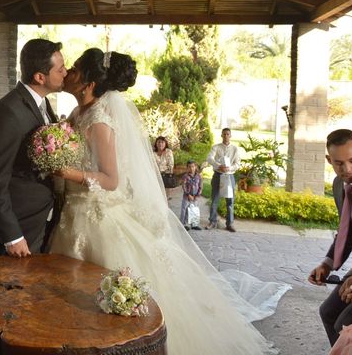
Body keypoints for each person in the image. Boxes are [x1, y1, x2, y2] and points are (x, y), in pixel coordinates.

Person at [50, 48, 288, 354]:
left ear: (88, 83)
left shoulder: (99, 121)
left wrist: (69, 172)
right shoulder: (77, 114)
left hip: (96, 217)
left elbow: (111, 180)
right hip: (73, 214)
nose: (68, 71)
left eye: (76, 69)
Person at [0, 38, 64, 257]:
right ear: (40, 77)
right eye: (61, 69)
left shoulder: (43, 104)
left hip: (37, 220)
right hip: (17, 226)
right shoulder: (8, 112)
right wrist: (12, 236)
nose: (66, 72)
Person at [309, 129, 352, 346]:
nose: (347, 169)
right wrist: (328, 263)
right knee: (329, 312)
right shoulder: (338, 185)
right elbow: (347, 231)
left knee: (347, 323)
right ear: (328, 160)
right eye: (339, 163)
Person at [206, 128, 241, 232]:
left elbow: (237, 164)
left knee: (230, 201)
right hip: (218, 174)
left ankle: (229, 223)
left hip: (229, 176)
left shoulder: (235, 149)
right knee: (215, 199)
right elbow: (209, 158)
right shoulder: (216, 147)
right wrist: (218, 166)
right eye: (224, 134)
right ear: (221, 135)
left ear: (230, 136)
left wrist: (229, 168)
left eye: (228, 134)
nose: (226, 136)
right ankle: (212, 221)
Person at [181, 159, 203, 230]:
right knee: (184, 210)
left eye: (193, 166)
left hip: (195, 196)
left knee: (194, 210)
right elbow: (184, 186)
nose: (191, 168)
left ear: (195, 167)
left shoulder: (199, 176)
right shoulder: (185, 176)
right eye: (189, 167)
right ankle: (183, 224)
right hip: (187, 196)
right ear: (187, 168)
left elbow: (200, 186)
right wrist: (188, 194)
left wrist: (197, 195)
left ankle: (194, 224)